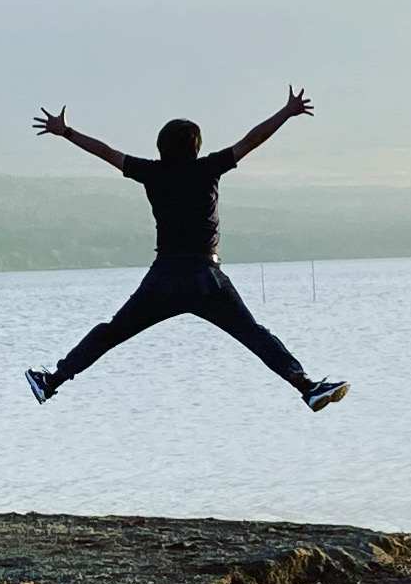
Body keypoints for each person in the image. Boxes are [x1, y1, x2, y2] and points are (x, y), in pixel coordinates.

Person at [24, 87, 348, 412]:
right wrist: (287, 112)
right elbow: (252, 140)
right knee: (254, 334)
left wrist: (65, 132)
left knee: (111, 332)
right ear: (196, 148)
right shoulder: (207, 169)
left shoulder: (152, 172)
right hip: (207, 280)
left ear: (161, 147)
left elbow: (106, 153)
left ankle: (51, 381)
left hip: (162, 279)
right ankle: (306, 387)